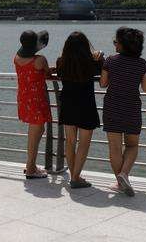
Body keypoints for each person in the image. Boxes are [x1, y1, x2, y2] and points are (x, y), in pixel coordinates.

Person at [100, 27, 146, 197]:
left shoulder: (110, 61)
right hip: (131, 108)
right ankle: (124, 175)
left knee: (114, 147)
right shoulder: (141, 64)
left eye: (116, 42)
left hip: (112, 107)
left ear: (122, 45)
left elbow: (102, 83)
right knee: (132, 145)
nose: (114, 44)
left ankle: (119, 181)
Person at [56, 32, 104, 188]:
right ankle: (76, 178)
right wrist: (100, 55)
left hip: (68, 103)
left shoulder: (61, 62)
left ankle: (74, 176)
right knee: (84, 143)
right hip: (86, 104)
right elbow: (102, 69)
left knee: (70, 141)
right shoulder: (91, 63)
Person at [14, 30, 52, 179]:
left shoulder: (16, 58)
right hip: (37, 100)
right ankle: (30, 169)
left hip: (24, 99)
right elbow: (47, 74)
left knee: (34, 133)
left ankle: (32, 165)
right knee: (35, 135)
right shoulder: (40, 60)